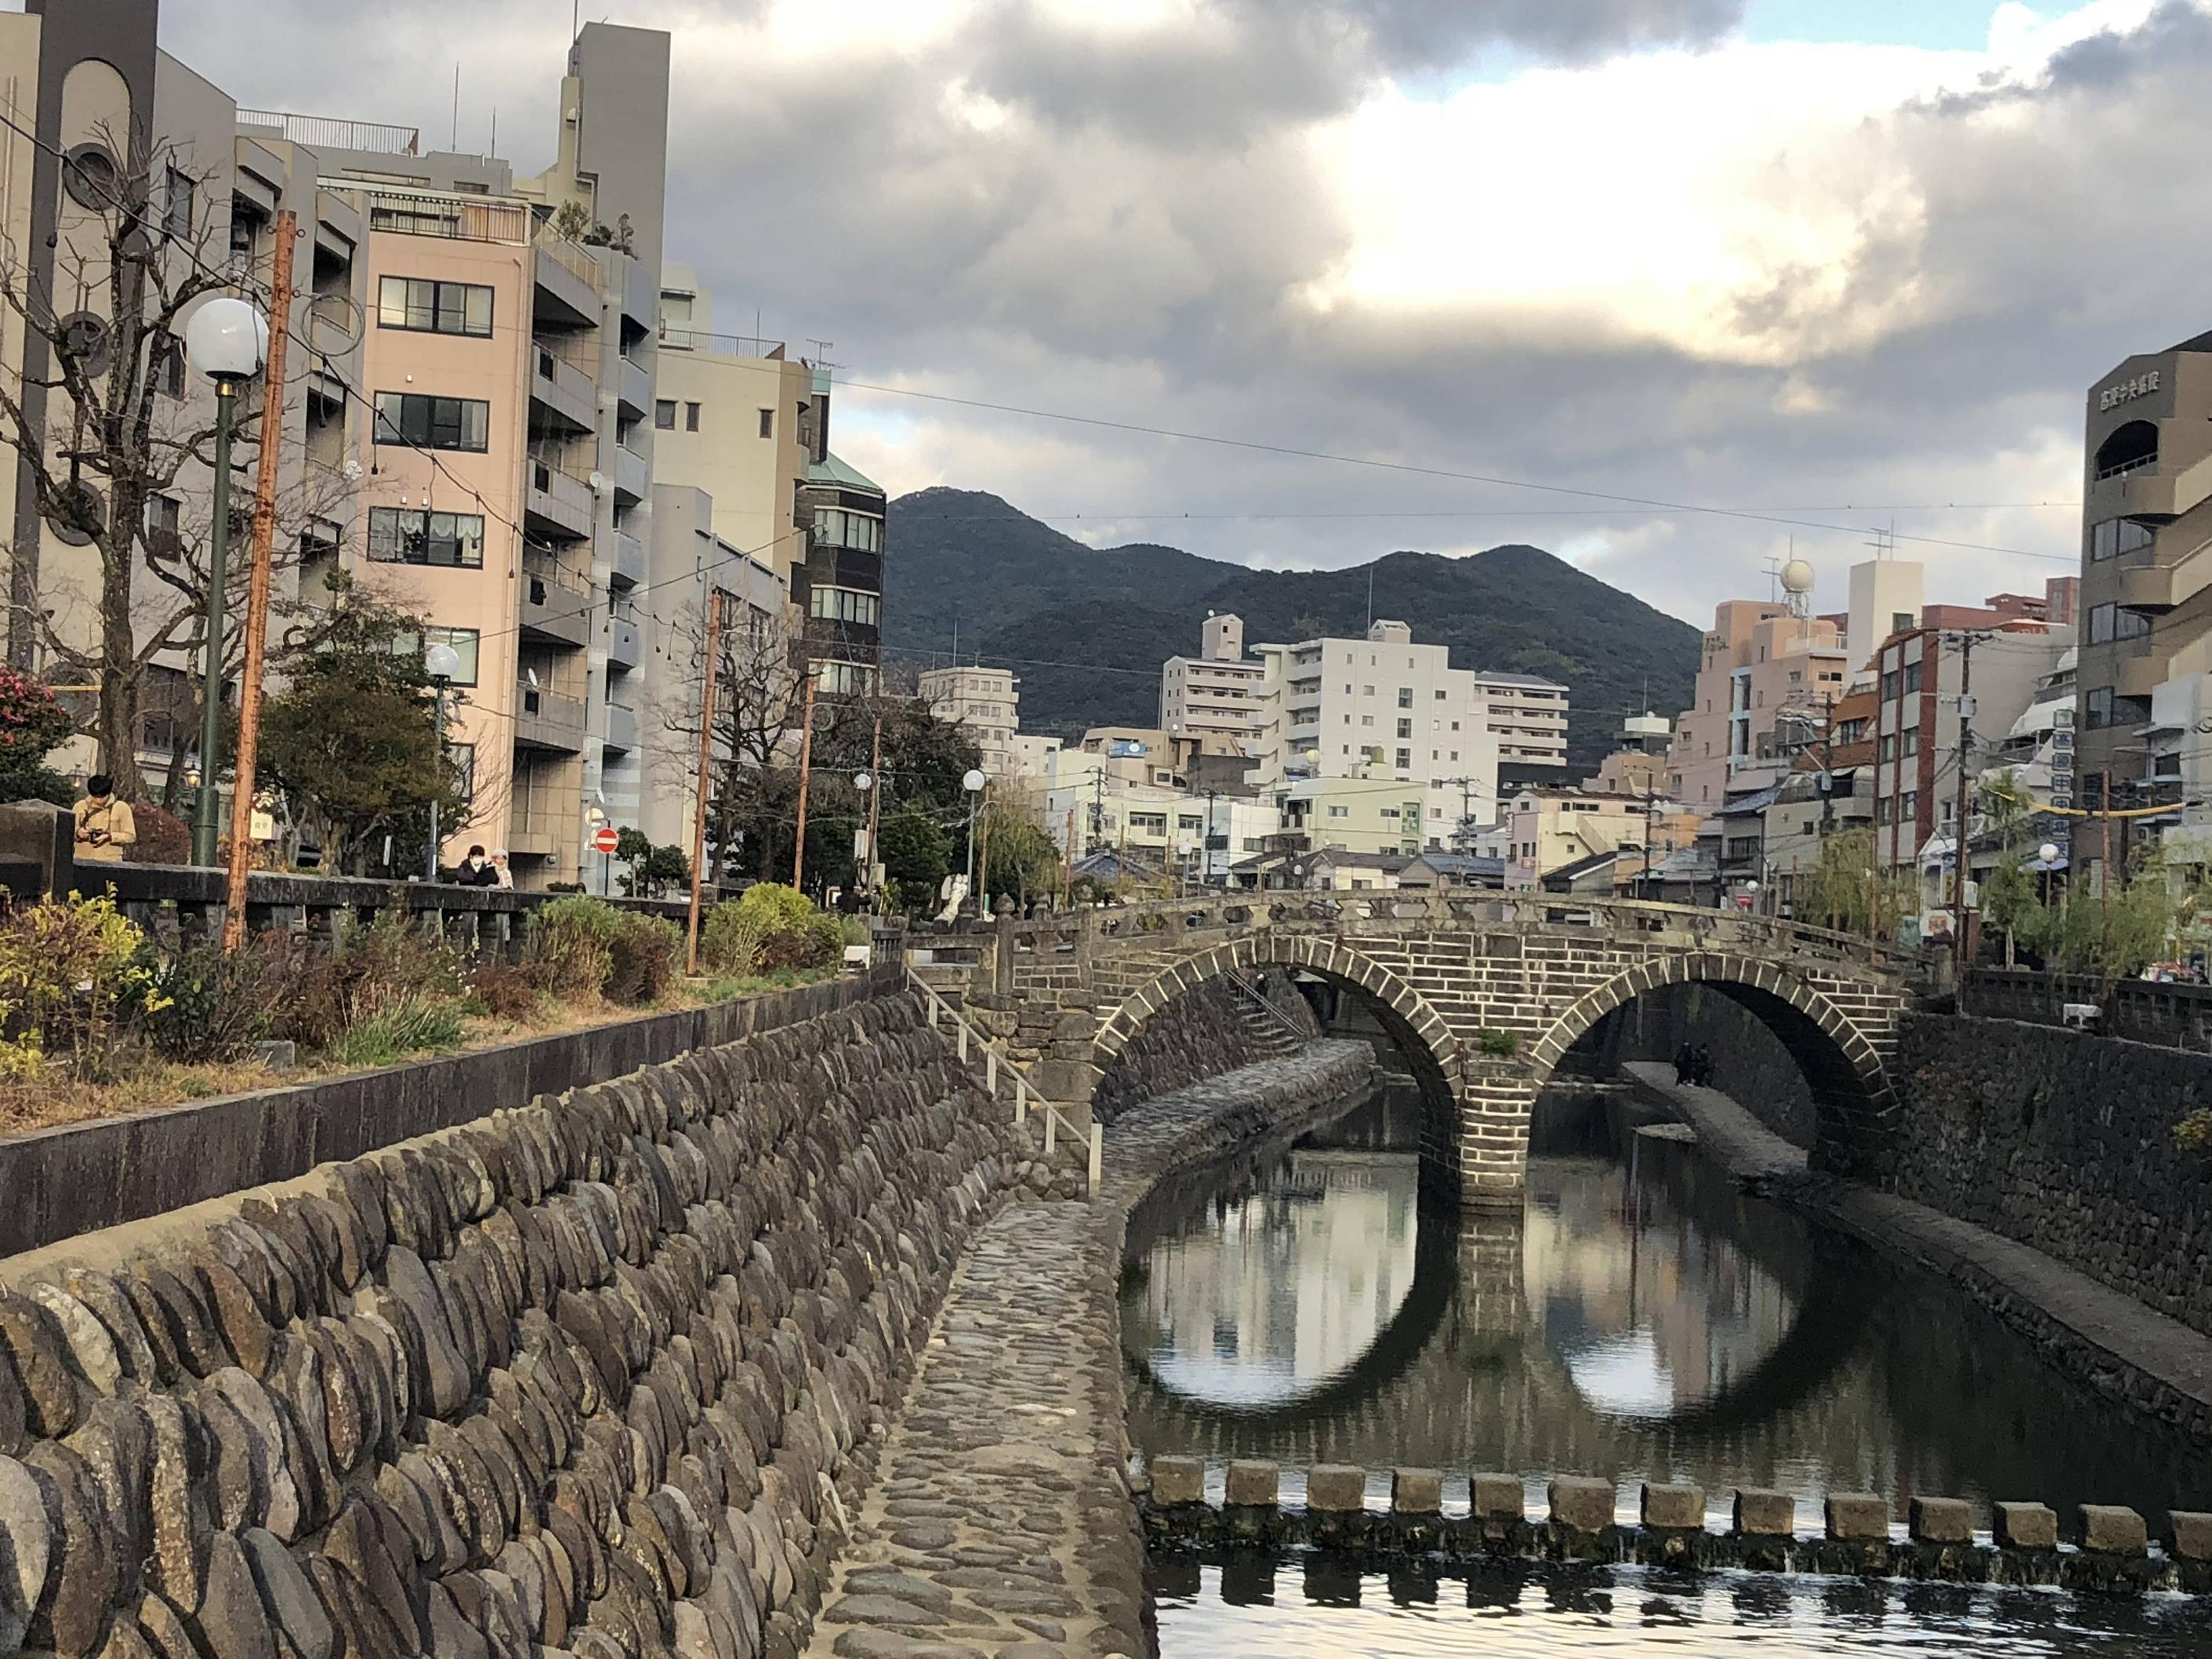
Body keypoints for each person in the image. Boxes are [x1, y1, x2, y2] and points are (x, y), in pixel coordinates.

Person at [72, 774, 136, 864]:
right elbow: (67, 831)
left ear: (108, 793)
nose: (98, 800)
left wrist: (110, 837)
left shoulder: (122, 808)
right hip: (82, 858)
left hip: (110, 861)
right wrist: (78, 833)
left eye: (102, 797)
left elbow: (131, 836)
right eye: (95, 796)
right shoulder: (80, 806)